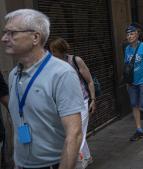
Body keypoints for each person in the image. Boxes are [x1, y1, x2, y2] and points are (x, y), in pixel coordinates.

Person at [1, 9, 84, 169]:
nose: (4, 38)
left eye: (12, 33)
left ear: (35, 37)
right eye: (5, 33)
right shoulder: (13, 75)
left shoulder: (62, 73)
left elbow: (74, 134)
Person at [49, 37, 95, 168]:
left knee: (75, 135)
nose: (51, 53)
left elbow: (90, 81)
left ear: (60, 50)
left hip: (82, 102)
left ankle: (75, 163)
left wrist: (93, 100)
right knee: (76, 132)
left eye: (53, 50)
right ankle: (87, 157)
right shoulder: (53, 64)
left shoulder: (75, 60)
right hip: (65, 105)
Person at [124, 24, 143, 141]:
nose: (129, 36)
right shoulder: (127, 49)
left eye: (131, 34)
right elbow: (127, 66)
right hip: (132, 82)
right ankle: (139, 130)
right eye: (127, 34)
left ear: (137, 35)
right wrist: (127, 81)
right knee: (134, 105)